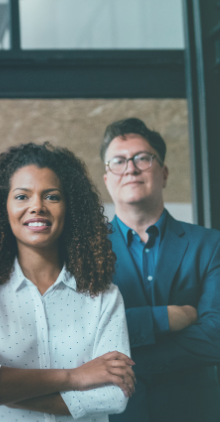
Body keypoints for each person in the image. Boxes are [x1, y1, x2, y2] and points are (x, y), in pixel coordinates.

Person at [0, 143, 134, 421]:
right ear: (4, 207)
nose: (37, 206)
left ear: (70, 207)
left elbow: (114, 394)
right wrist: (76, 376)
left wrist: (2, 389)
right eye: (22, 196)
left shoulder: (104, 295)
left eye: (51, 196)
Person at [100, 118, 220, 422]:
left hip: (196, 410)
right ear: (107, 179)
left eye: (142, 157)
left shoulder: (210, 244)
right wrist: (166, 317)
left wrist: (124, 360)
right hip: (115, 413)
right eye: (118, 161)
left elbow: (216, 334)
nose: (130, 168)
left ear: (163, 173)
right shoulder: (84, 251)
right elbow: (83, 330)